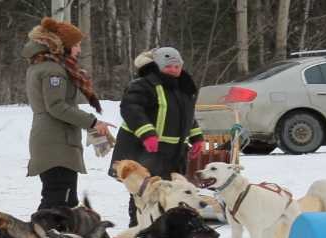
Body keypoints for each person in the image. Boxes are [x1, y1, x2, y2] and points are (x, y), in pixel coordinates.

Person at [22, 17, 113, 211]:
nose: (79, 50)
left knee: (67, 201)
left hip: (56, 140)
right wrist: (92, 122)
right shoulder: (53, 71)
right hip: (55, 143)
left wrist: (91, 123)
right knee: (57, 202)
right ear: (63, 46)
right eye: (77, 45)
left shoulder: (44, 66)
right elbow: (56, 106)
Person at [110, 47, 205, 227]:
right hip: (145, 150)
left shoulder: (184, 87)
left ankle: (166, 231)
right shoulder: (143, 85)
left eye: (177, 66)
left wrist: (196, 138)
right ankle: (140, 230)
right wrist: (147, 134)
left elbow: (186, 117)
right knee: (145, 193)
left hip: (173, 152)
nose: (174, 70)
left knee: (172, 194)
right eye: (169, 66)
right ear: (158, 66)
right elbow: (131, 109)